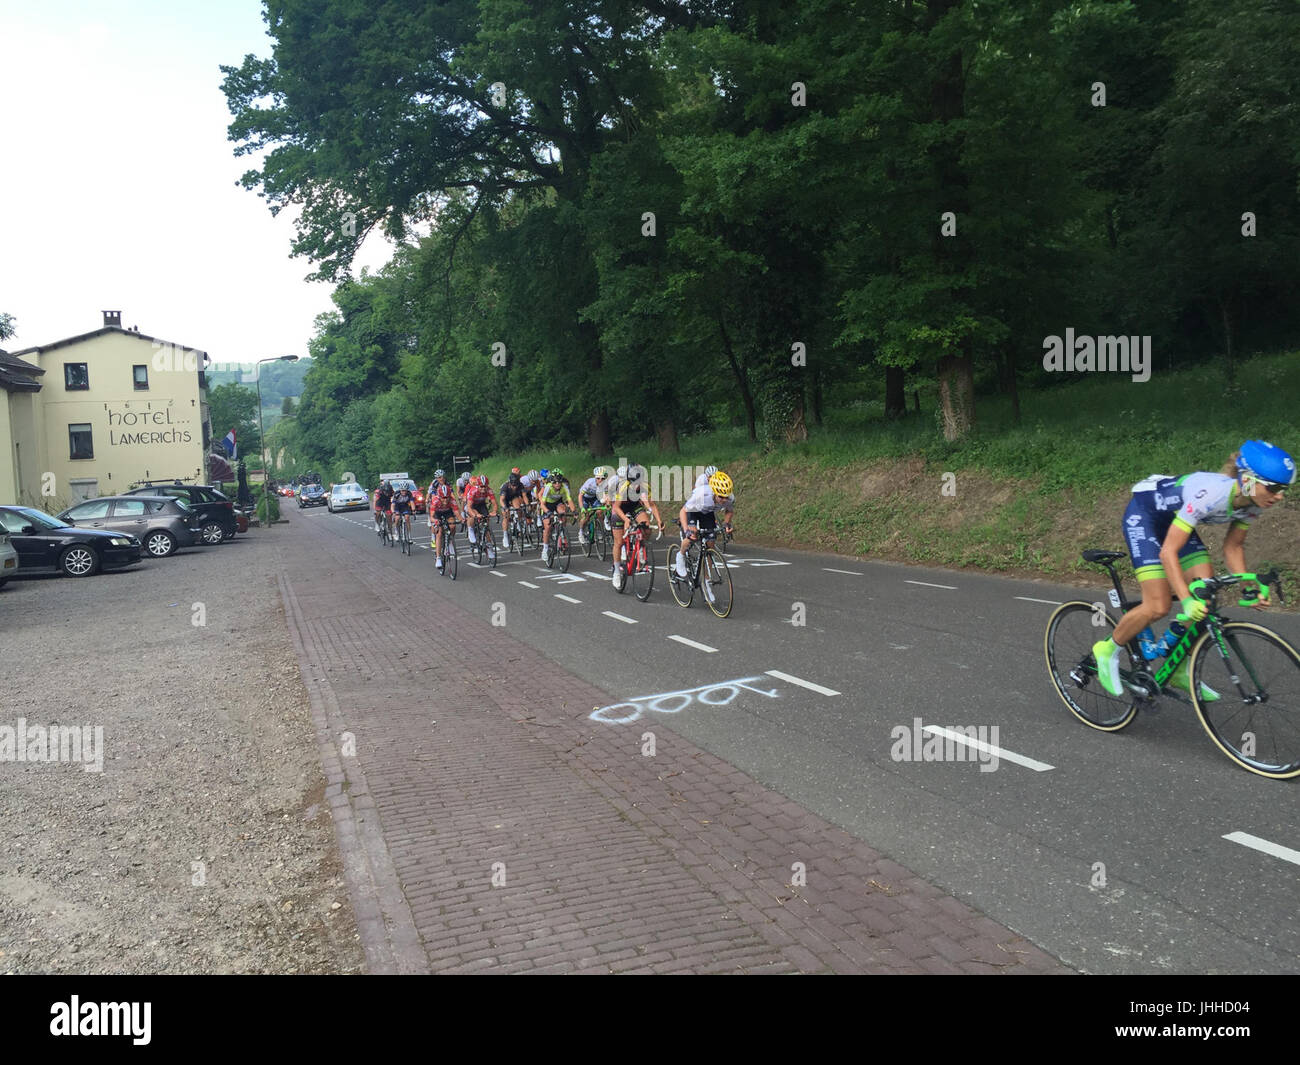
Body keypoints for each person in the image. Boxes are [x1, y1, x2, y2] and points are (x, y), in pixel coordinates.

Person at [1093, 440, 1294, 700]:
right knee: (1158, 606)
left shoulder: (1254, 503)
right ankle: (1107, 649)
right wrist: (1186, 600)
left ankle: (1177, 667)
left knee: (1206, 595)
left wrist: (1247, 589)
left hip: (1176, 522)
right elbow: (1167, 552)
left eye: (1284, 489)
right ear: (1248, 480)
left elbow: (1233, 547)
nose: (1280, 496)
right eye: (1274, 487)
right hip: (1146, 516)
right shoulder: (1210, 495)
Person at [610, 463, 664, 589]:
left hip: (634, 506)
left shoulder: (645, 486)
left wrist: (659, 520)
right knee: (618, 542)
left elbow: (652, 504)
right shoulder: (623, 487)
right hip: (620, 510)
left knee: (646, 526)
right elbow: (616, 507)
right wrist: (625, 520)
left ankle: (640, 547)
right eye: (633, 482)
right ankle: (617, 571)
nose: (636, 485)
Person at [676, 471, 735, 584]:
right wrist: (686, 530)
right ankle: (681, 555)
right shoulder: (701, 494)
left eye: (726, 497)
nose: (724, 500)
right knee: (692, 536)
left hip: (707, 513)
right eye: (721, 497)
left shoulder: (729, 497)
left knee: (710, 544)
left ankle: (706, 579)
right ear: (714, 492)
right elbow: (683, 511)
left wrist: (726, 524)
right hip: (693, 511)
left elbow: (729, 511)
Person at [426, 469, 459, 570]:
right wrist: (429, 501)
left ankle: (449, 541)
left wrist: (453, 501)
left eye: (443, 477)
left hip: (446, 506)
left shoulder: (448, 483)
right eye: (440, 477)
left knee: (452, 525)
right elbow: (430, 495)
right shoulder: (434, 484)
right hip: (436, 506)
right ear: (436, 478)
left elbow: (452, 495)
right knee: (439, 532)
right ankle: (438, 557)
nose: (442, 479)